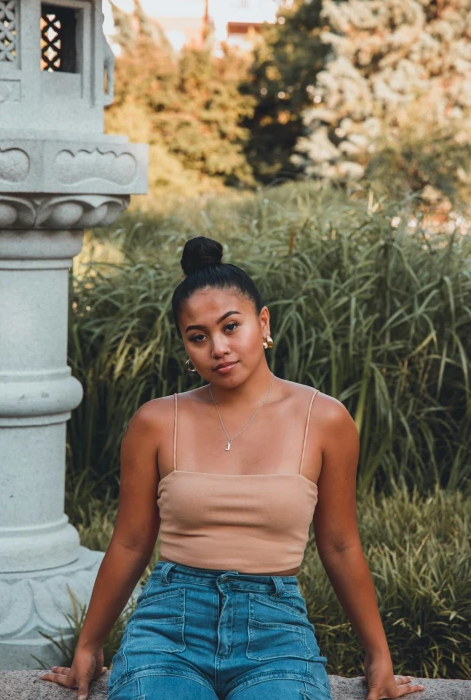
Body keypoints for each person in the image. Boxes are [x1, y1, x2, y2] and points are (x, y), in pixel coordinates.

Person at [41, 236, 425, 700]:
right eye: (198, 337)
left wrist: (378, 655)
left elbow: (341, 544)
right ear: (185, 345)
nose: (217, 348)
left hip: (276, 630)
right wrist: (89, 644)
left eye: (230, 327)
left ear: (263, 323)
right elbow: (130, 540)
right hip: (169, 627)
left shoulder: (324, 419)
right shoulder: (156, 422)